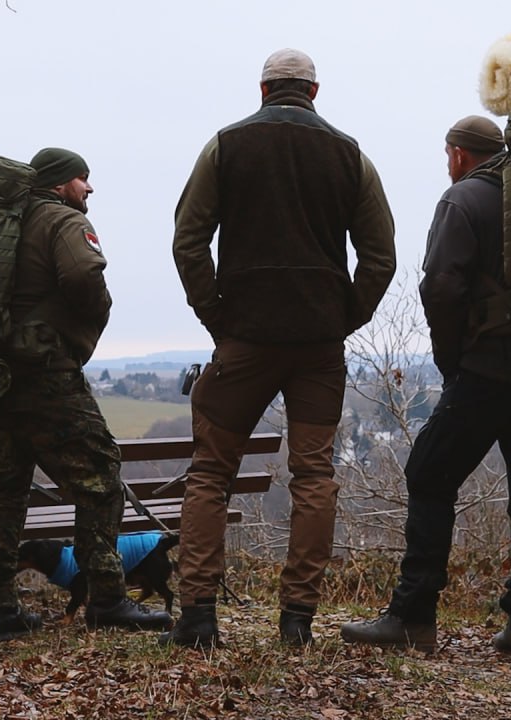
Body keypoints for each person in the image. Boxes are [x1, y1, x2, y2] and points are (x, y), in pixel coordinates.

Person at [164, 49, 396, 648]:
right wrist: (344, 317)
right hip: (318, 346)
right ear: (314, 91)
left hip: (244, 337)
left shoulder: (225, 146)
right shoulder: (351, 155)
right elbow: (380, 255)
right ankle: (296, 621)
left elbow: (188, 240)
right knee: (314, 473)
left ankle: (198, 618)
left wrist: (216, 316)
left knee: (211, 471)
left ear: (263, 89)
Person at [340, 115, 511, 657]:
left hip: (489, 370)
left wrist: (453, 363)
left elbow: (442, 286)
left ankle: (413, 615)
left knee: (428, 474)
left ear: (459, 155)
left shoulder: (463, 200)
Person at [0, 147, 171, 641]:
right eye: (83, 179)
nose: (89, 188)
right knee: (101, 473)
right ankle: (107, 598)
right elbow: (84, 275)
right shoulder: (60, 220)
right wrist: (93, 316)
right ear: (60, 184)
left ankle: (0, 610)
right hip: (44, 373)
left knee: (3, 487)